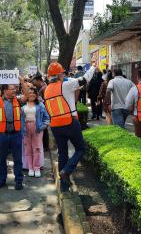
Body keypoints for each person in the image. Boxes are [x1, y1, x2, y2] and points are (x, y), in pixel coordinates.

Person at [44, 62, 95, 192]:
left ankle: (64, 187)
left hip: (55, 125)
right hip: (69, 122)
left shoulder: (46, 89)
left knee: (62, 153)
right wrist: (93, 67)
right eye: (62, 72)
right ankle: (66, 171)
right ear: (60, 74)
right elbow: (85, 79)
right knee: (81, 148)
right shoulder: (65, 85)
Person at [0, 76, 29, 190]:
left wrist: (22, 82)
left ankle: (18, 181)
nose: (14, 90)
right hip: (1, 135)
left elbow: (27, 95)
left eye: (15, 88)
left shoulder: (18, 100)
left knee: (18, 159)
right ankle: (1, 181)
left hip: (16, 134)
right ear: (5, 91)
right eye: (12, 89)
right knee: (0, 160)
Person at [22, 87, 50, 177]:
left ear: (36, 94)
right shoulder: (22, 105)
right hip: (25, 129)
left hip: (37, 128)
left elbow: (47, 118)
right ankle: (30, 167)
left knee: (37, 148)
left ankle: (37, 167)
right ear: (26, 94)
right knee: (27, 148)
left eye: (33, 93)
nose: (31, 94)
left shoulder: (41, 105)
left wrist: (43, 126)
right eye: (29, 92)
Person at [32, 73, 49, 151]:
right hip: (43, 111)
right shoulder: (42, 87)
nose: (33, 82)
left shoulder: (44, 88)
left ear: (38, 80)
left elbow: (46, 102)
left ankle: (45, 146)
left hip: (44, 112)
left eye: (34, 81)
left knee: (44, 130)